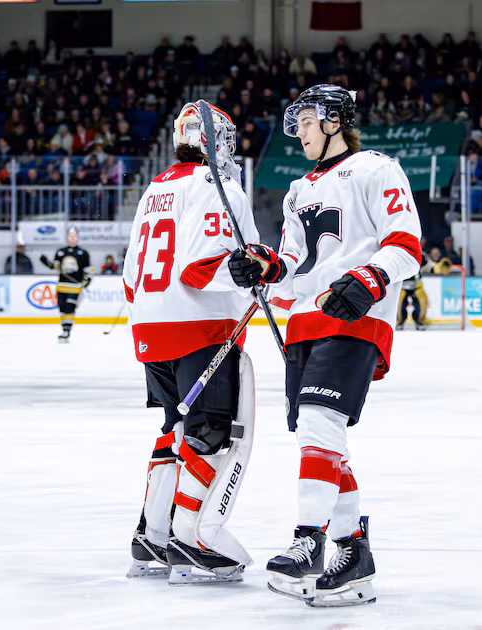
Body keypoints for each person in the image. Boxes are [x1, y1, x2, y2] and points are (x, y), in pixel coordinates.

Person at [229, 84, 422, 607]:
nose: (301, 132)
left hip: (354, 316)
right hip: (305, 323)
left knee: (318, 425)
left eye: (309, 122)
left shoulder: (376, 168)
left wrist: (370, 279)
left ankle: (308, 540)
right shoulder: (296, 190)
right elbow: (293, 266)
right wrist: (263, 266)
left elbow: (406, 244)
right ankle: (353, 551)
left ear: (335, 121)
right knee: (320, 438)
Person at [121, 102, 260, 584]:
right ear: (213, 140)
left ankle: (151, 535)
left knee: (174, 428)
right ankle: (194, 537)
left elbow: (129, 276)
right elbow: (203, 269)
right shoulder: (216, 187)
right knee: (212, 433)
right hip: (201, 330)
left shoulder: (153, 189)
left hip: (149, 330)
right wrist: (259, 267)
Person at [40, 227, 91, 342]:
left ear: (77, 238)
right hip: (62, 286)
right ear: (67, 237)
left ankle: (67, 331)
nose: (72, 238)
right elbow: (56, 268)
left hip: (75, 287)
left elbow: (88, 269)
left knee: (69, 308)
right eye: (70, 236)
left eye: (74, 236)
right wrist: (46, 262)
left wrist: (87, 281)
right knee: (62, 309)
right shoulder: (61, 252)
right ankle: (64, 329)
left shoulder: (83, 253)